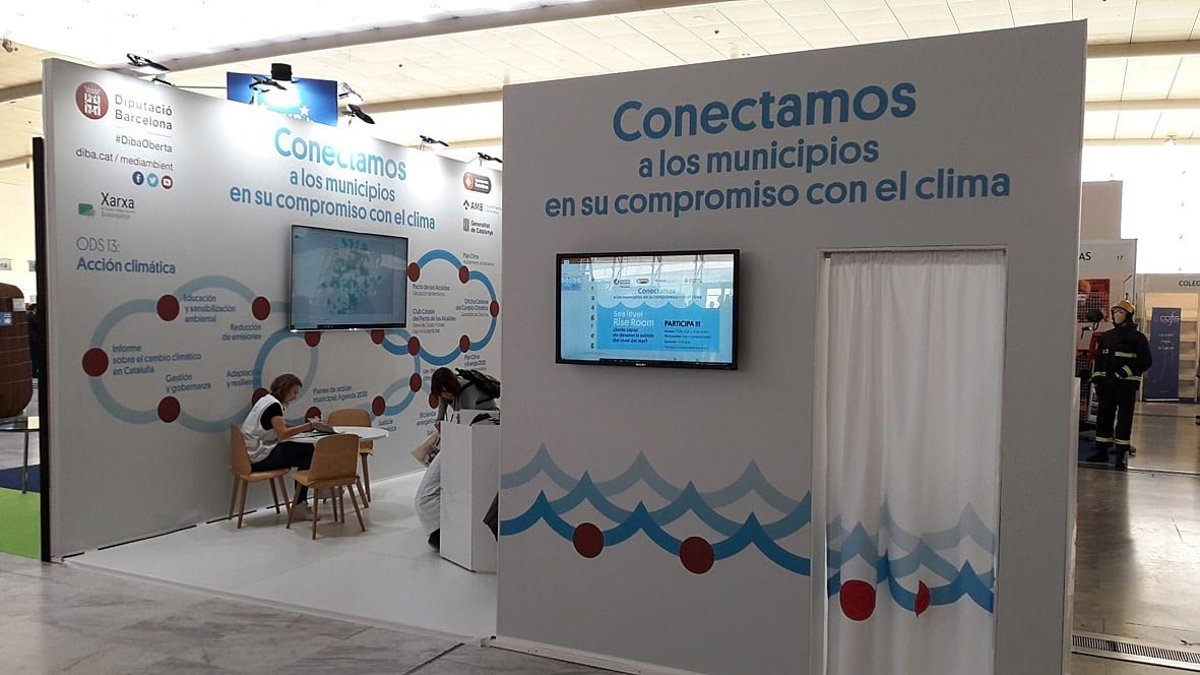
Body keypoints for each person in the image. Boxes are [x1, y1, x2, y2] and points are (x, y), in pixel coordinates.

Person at [415, 367, 499, 551]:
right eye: (441, 393)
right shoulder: (446, 392)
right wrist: (439, 422)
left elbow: (465, 420)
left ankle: (446, 534)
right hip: (467, 433)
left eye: (447, 392)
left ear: (453, 385)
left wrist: (450, 433)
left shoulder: (467, 389)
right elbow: (443, 413)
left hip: (485, 428)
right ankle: (443, 533)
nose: (446, 396)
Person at [1086, 300, 1152, 470]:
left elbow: (1145, 361)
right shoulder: (1107, 337)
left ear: (1128, 316)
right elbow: (1099, 360)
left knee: (1124, 419)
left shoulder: (1138, 338)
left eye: (1121, 312)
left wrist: (1123, 372)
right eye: (1115, 312)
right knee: (1103, 417)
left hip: (1126, 386)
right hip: (1106, 386)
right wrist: (1098, 379)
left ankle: (1121, 454)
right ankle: (1101, 451)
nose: (1117, 315)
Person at [240, 373, 321, 509]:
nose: (295, 397)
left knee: (305, 454)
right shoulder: (274, 406)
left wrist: (303, 429)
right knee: (307, 451)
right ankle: (302, 502)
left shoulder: (266, 400)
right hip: (258, 459)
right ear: (285, 389)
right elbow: (283, 434)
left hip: (250, 456)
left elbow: (280, 425)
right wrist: (309, 426)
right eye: (294, 392)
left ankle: (305, 499)